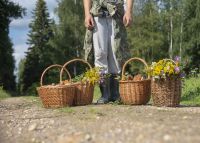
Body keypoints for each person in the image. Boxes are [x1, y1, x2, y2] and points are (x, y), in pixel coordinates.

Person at [83, 0, 134, 104]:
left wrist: (128, 11)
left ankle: (115, 93)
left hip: (116, 13)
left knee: (116, 54)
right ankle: (104, 94)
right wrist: (87, 14)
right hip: (98, 13)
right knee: (100, 54)